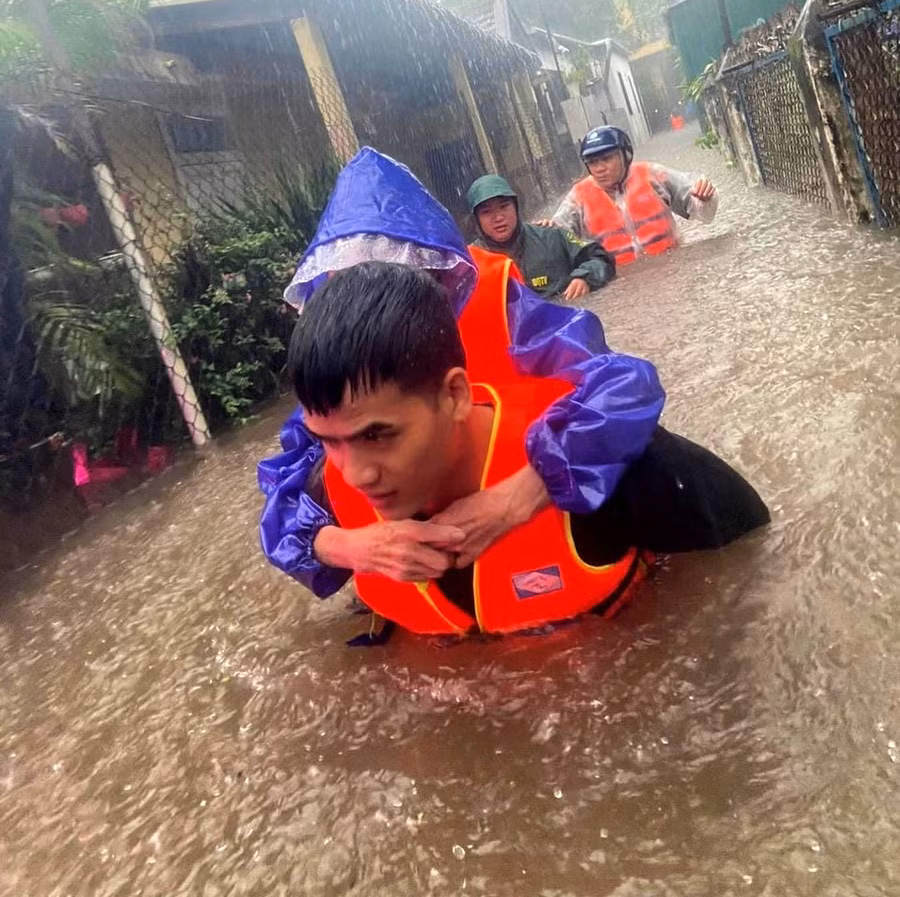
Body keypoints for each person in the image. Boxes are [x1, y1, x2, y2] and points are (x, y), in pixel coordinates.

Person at [258, 148, 769, 635]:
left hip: (532, 473)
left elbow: (621, 387)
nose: (371, 304)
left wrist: (521, 494)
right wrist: (349, 547)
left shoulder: (507, 309)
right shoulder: (335, 419)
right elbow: (287, 506)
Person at [546, 126, 718, 266]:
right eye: (592, 162)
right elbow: (556, 244)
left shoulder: (653, 175)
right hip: (617, 283)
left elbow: (702, 212)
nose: (599, 168)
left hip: (672, 269)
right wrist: (544, 232)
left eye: (606, 159)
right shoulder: (578, 197)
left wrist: (705, 198)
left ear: (625, 155)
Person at [466, 173, 615, 301]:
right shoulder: (469, 262)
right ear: (476, 220)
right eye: (487, 212)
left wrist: (585, 278)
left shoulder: (551, 236)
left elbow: (601, 258)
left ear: (516, 208)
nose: (498, 217)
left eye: (504, 207)